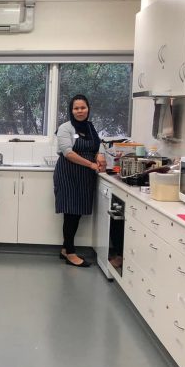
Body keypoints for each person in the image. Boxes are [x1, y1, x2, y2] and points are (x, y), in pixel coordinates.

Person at [53, 94, 107, 267]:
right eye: (76, 108)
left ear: (88, 109)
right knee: (70, 213)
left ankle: (65, 249)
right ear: (71, 110)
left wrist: (100, 155)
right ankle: (70, 253)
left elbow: (98, 145)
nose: (79, 111)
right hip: (68, 173)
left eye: (83, 107)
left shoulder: (90, 127)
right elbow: (68, 153)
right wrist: (91, 164)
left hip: (84, 175)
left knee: (77, 214)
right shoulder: (65, 128)